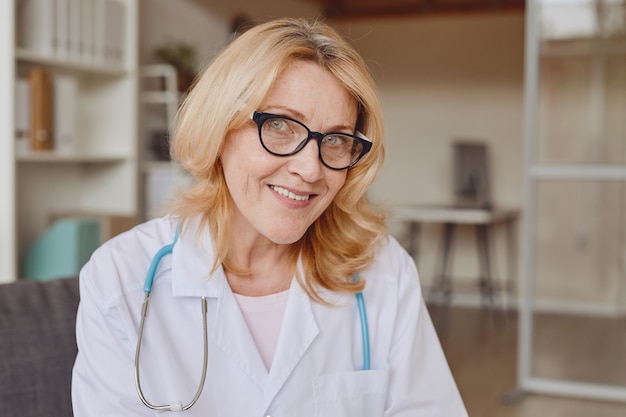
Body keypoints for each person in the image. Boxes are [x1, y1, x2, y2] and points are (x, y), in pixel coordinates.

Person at [71, 17, 468, 417]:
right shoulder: (118, 279)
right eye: (279, 125)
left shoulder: (385, 271)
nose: (310, 169)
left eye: (335, 139)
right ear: (219, 127)